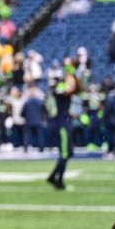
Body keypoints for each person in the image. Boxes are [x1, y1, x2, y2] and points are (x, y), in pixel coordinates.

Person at [47, 61, 80, 190]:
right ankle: (58, 180)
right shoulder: (60, 90)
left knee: (68, 153)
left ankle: (53, 176)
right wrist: (70, 75)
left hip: (64, 122)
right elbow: (72, 89)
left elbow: (74, 88)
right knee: (65, 153)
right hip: (62, 124)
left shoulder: (59, 89)